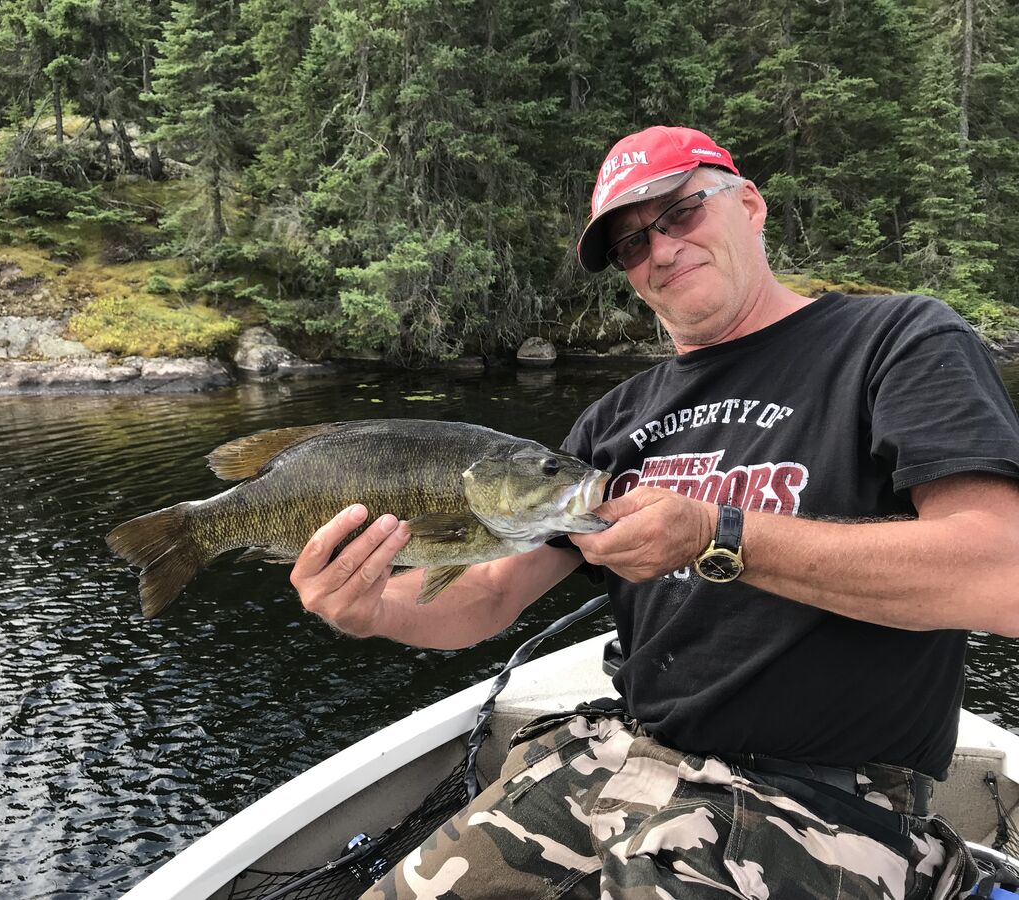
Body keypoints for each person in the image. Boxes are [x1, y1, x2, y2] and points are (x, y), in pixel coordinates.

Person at [289, 125, 1019, 898]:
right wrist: (367, 607)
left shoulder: (897, 339)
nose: (659, 252)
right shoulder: (612, 423)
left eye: (679, 215)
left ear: (749, 204)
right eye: (630, 246)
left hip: (826, 801)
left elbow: (1000, 575)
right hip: (620, 758)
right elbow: (490, 593)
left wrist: (716, 533)